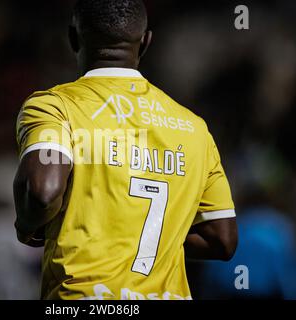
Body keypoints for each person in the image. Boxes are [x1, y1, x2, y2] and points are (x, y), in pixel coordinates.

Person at [14, 0, 237, 300]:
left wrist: (26, 225)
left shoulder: (55, 108)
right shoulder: (194, 129)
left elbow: (43, 192)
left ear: (73, 38)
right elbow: (223, 240)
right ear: (145, 43)